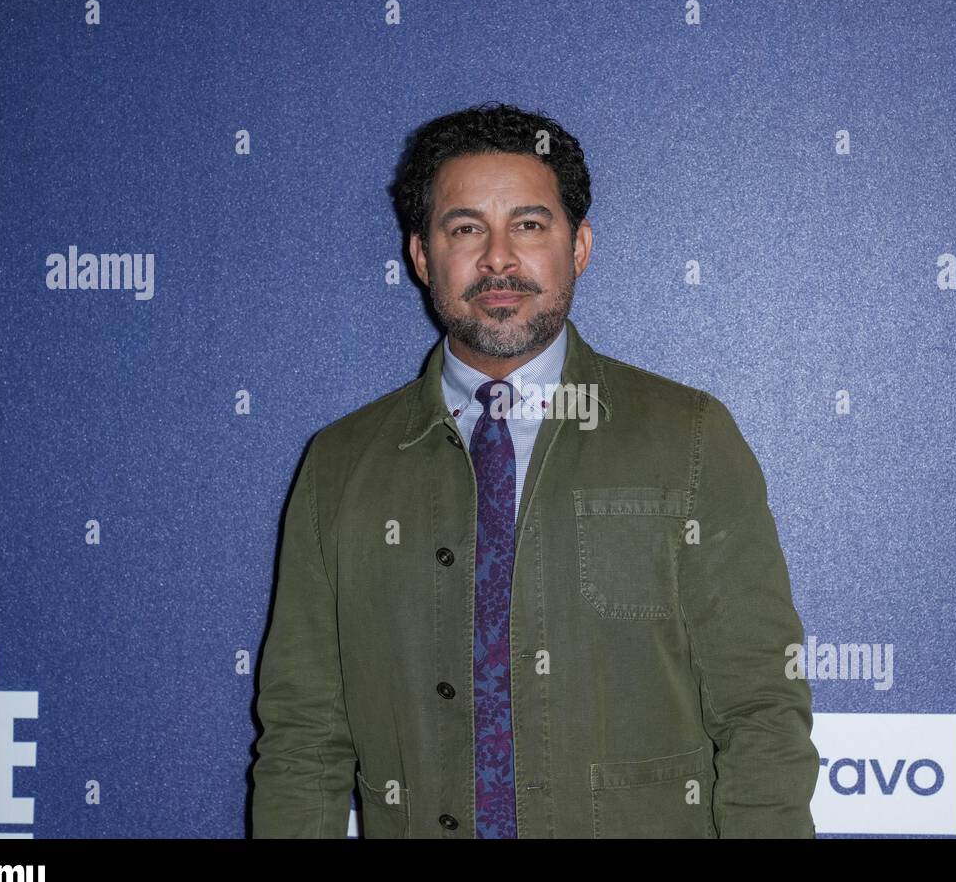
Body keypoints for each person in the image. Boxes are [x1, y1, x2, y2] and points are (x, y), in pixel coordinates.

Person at [251, 102, 818, 838]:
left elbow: (760, 711)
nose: (498, 259)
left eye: (529, 225)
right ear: (422, 258)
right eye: (464, 229)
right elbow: (302, 740)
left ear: (577, 246)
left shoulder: (690, 441)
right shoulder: (340, 466)